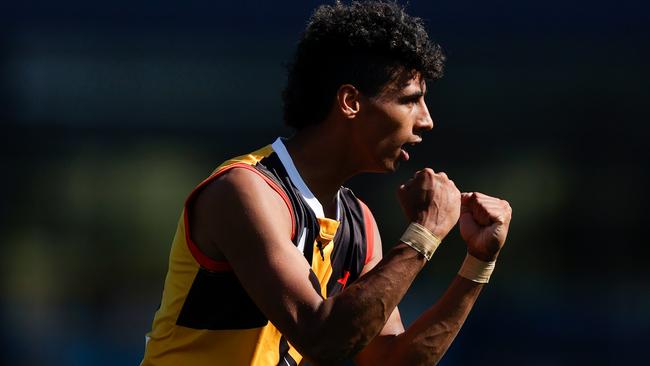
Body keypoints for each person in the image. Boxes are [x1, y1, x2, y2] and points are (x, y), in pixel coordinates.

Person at [141, 1, 512, 365]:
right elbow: (322, 337)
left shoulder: (360, 223)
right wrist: (424, 232)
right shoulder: (245, 190)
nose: (427, 120)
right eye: (410, 101)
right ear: (350, 101)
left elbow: (389, 361)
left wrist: (478, 263)